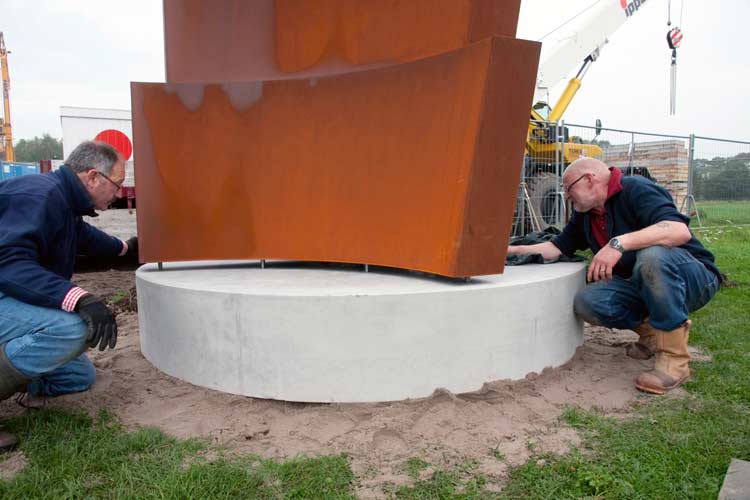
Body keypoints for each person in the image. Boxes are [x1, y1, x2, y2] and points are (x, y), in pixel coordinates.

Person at [507, 157, 721, 395]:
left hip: (693, 278)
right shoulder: (586, 213)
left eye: (568, 188)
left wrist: (617, 244)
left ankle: (674, 360)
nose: (566, 195)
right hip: (643, 285)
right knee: (589, 302)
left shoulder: (636, 189)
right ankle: (651, 335)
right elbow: (557, 247)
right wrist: (509, 251)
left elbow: (677, 230)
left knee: (652, 257)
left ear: (589, 180)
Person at [0, 141, 137, 452]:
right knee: (72, 329)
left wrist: (125, 248)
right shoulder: (40, 196)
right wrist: (79, 297)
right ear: (92, 177)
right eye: (117, 184)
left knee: (78, 376)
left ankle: (17, 372)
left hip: (8, 295)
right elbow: (9, 263)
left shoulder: (62, 202)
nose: (118, 193)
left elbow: (83, 236)